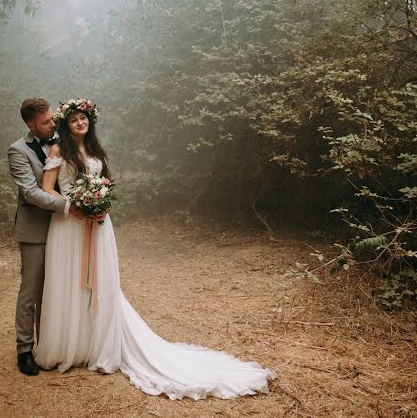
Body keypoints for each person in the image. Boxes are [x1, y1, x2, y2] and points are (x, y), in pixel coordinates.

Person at [33, 98, 276, 400]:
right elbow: (47, 188)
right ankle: (68, 345)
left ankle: (97, 343)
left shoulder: (95, 151)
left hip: (98, 224)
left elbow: (103, 184)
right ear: (66, 124)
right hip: (69, 225)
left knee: (101, 284)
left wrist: (101, 205)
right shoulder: (58, 151)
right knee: (69, 281)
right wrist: (74, 206)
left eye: (84, 118)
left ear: (90, 121)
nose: (80, 123)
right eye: (74, 119)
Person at [7, 98, 87, 376]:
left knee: (56, 289)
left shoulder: (64, 142)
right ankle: (25, 350)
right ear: (31, 125)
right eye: (46, 122)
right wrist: (68, 206)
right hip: (36, 230)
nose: (53, 124)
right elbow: (30, 192)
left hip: (65, 230)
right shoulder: (17, 151)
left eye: (53, 118)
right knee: (32, 290)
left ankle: (49, 345)